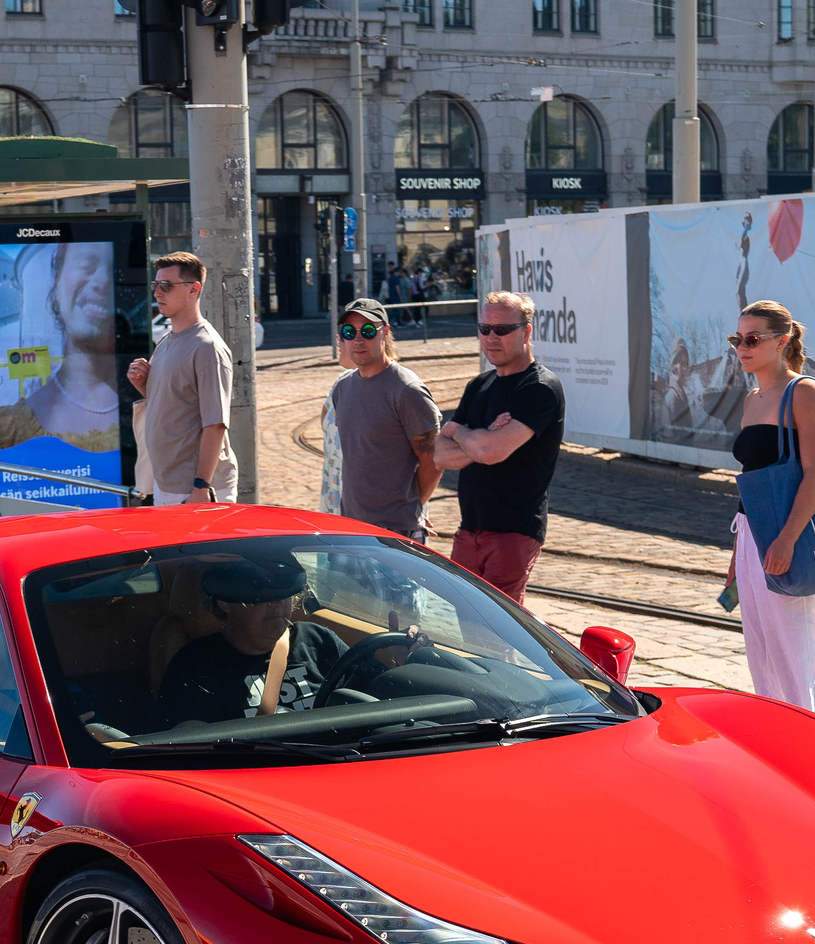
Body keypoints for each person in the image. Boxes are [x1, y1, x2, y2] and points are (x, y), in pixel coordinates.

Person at [724, 300, 815, 711]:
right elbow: (750, 480)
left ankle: (812, 743)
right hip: (751, 532)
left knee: (794, 655)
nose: (742, 348)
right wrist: (737, 552)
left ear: (782, 341)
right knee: (762, 651)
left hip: (790, 534)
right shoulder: (753, 399)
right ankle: (775, 736)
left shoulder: (802, 391)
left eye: (752, 339)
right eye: (738, 339)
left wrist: (787, 539)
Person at [432, 290, 565, 604]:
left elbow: (490, 452)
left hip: (513, 533)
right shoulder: (479, 385)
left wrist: (457, 430)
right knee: (465, 625)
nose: (491, 337)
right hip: (468, 530)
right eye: (485, 329)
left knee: (495, 634)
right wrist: (481, 439)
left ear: (526, 332)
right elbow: (440, 455)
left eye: (502, 330)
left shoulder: (540, 388)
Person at [155, 556, 346, 728]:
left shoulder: (319, 641)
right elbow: (191, 745)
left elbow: (372, 694)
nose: (278, 603)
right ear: (225, 602)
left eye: (284, 592)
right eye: (261, 595)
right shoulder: (195, 664)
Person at [0, 242, 122, 453]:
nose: (104, 281)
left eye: (116, 272)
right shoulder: (4, 433)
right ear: (56, 285)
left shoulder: (149, 406)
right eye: (87, 265)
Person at [326, 297, 441, 542]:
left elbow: (433, 460)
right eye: (349, 332)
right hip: (351, 528)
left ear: (385, 332)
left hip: (395, 533)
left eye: (368, 331)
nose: (357, 340)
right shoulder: (342, 387)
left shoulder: (407, 390)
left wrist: (411, 507)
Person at [126, 251, 234, 505]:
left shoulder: (207, 347)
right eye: (156, 285)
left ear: (193, 289)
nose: (157, 293)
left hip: (194, 489)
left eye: (166, 285)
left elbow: (215, 424)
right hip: (168, 483)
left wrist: (200, 487)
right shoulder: (166, 341)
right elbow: (177, 405)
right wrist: (144, 386)